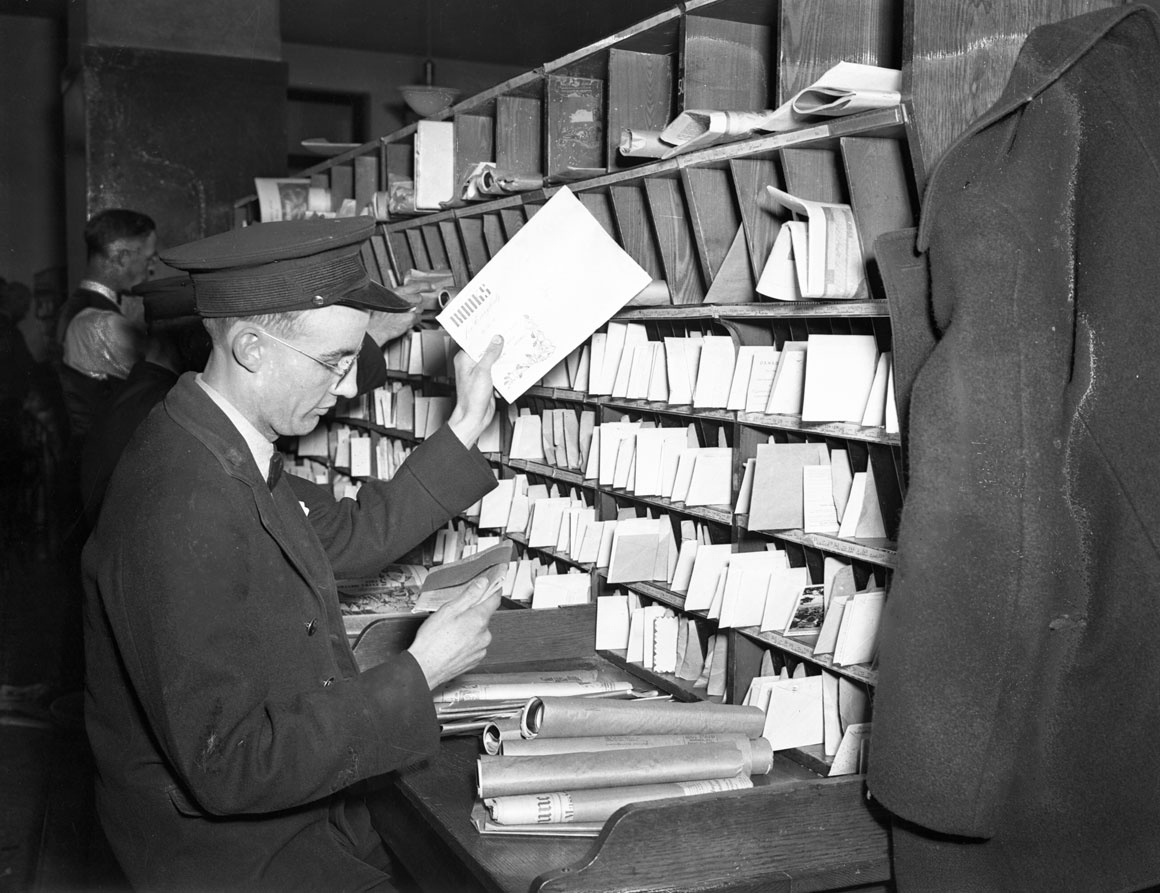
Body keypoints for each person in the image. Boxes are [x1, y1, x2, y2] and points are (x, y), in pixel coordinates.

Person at [83, 217, 503, 890]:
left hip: (278, 824)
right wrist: (418, 673)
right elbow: (231, 765)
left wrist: (464, 425)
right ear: (251, 345)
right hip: (227, 858)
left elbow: (348, 536)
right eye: (335, 362)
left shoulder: (219, 440)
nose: (345, 386)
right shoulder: (181, 500)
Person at [58, 208, 156, 442]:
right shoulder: (99, 323)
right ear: (123, 257)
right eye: (148, 258)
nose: (151, 267)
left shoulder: (75, 308)